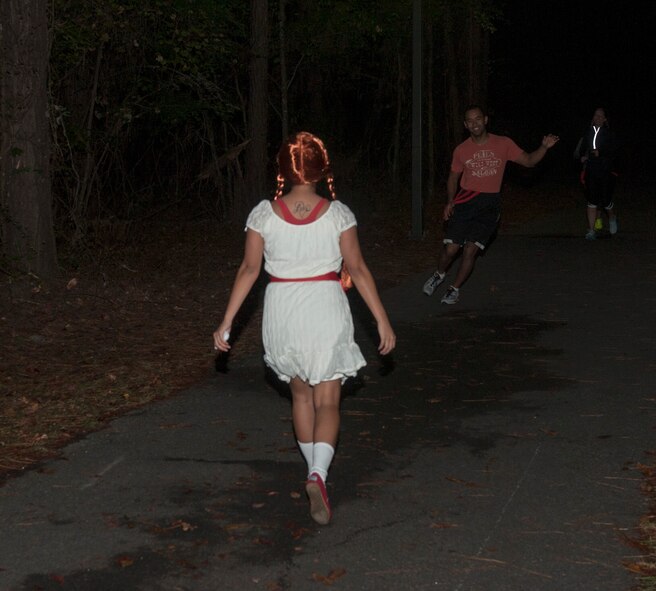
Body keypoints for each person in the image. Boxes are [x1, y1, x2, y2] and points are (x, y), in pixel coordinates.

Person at [213, 132, 396, 526]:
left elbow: (248, 270)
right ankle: (318, 474)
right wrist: (381, 318)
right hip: (324, 306)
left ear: (282, 170)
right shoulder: (338, 213)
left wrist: (227, 322)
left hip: (283, 309)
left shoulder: (263, 214)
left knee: (301, 396)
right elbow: (359, 269)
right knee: (328, 399)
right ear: (321, 170)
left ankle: (314, 472)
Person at [422, 105, 559, 304]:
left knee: (470, 250)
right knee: (451, 249)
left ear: (485, 120)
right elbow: (453, 177)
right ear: (466, 125)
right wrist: (450, 201)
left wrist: (544, 147)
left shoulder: (503, 143)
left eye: (478, 119)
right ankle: (439, 274)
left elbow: (529, 161)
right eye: (470, 121)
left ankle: (454, 289)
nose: (475, 123)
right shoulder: (461, 150)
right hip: (466, 202)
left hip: (489, 205)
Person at [578, 107, 619, 240]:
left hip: (605, 170)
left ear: (605, 119)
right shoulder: (588, 132)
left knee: (606, 200)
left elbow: (615, 152)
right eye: (596, 115)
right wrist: (582, 157)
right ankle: (591, 230)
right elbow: (582, 148)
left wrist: (601, 153)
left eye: (601, 116)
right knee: (592, 200)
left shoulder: (609, 133)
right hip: (591, 170)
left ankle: (612, 217)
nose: (598, 118)